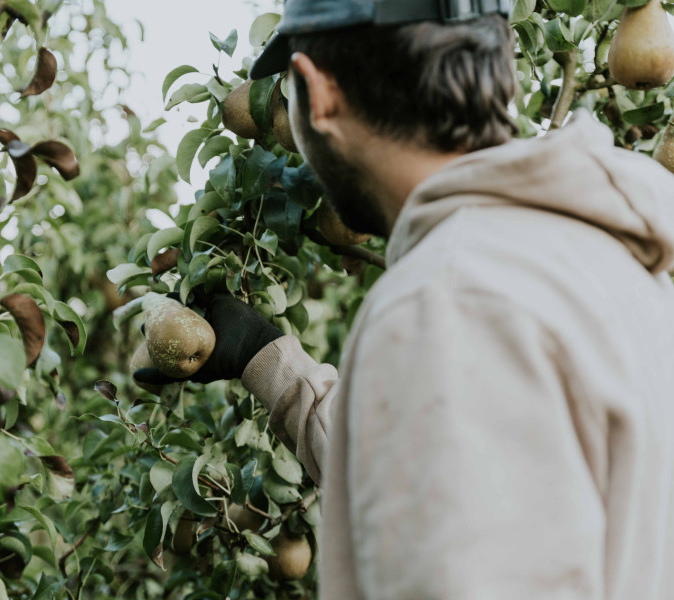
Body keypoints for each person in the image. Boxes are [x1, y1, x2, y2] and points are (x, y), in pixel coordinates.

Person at [135, 0, 674, 597]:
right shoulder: (617, 270)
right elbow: (436, 485)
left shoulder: (448, 301)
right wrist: (272, 364)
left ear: (320, 94)